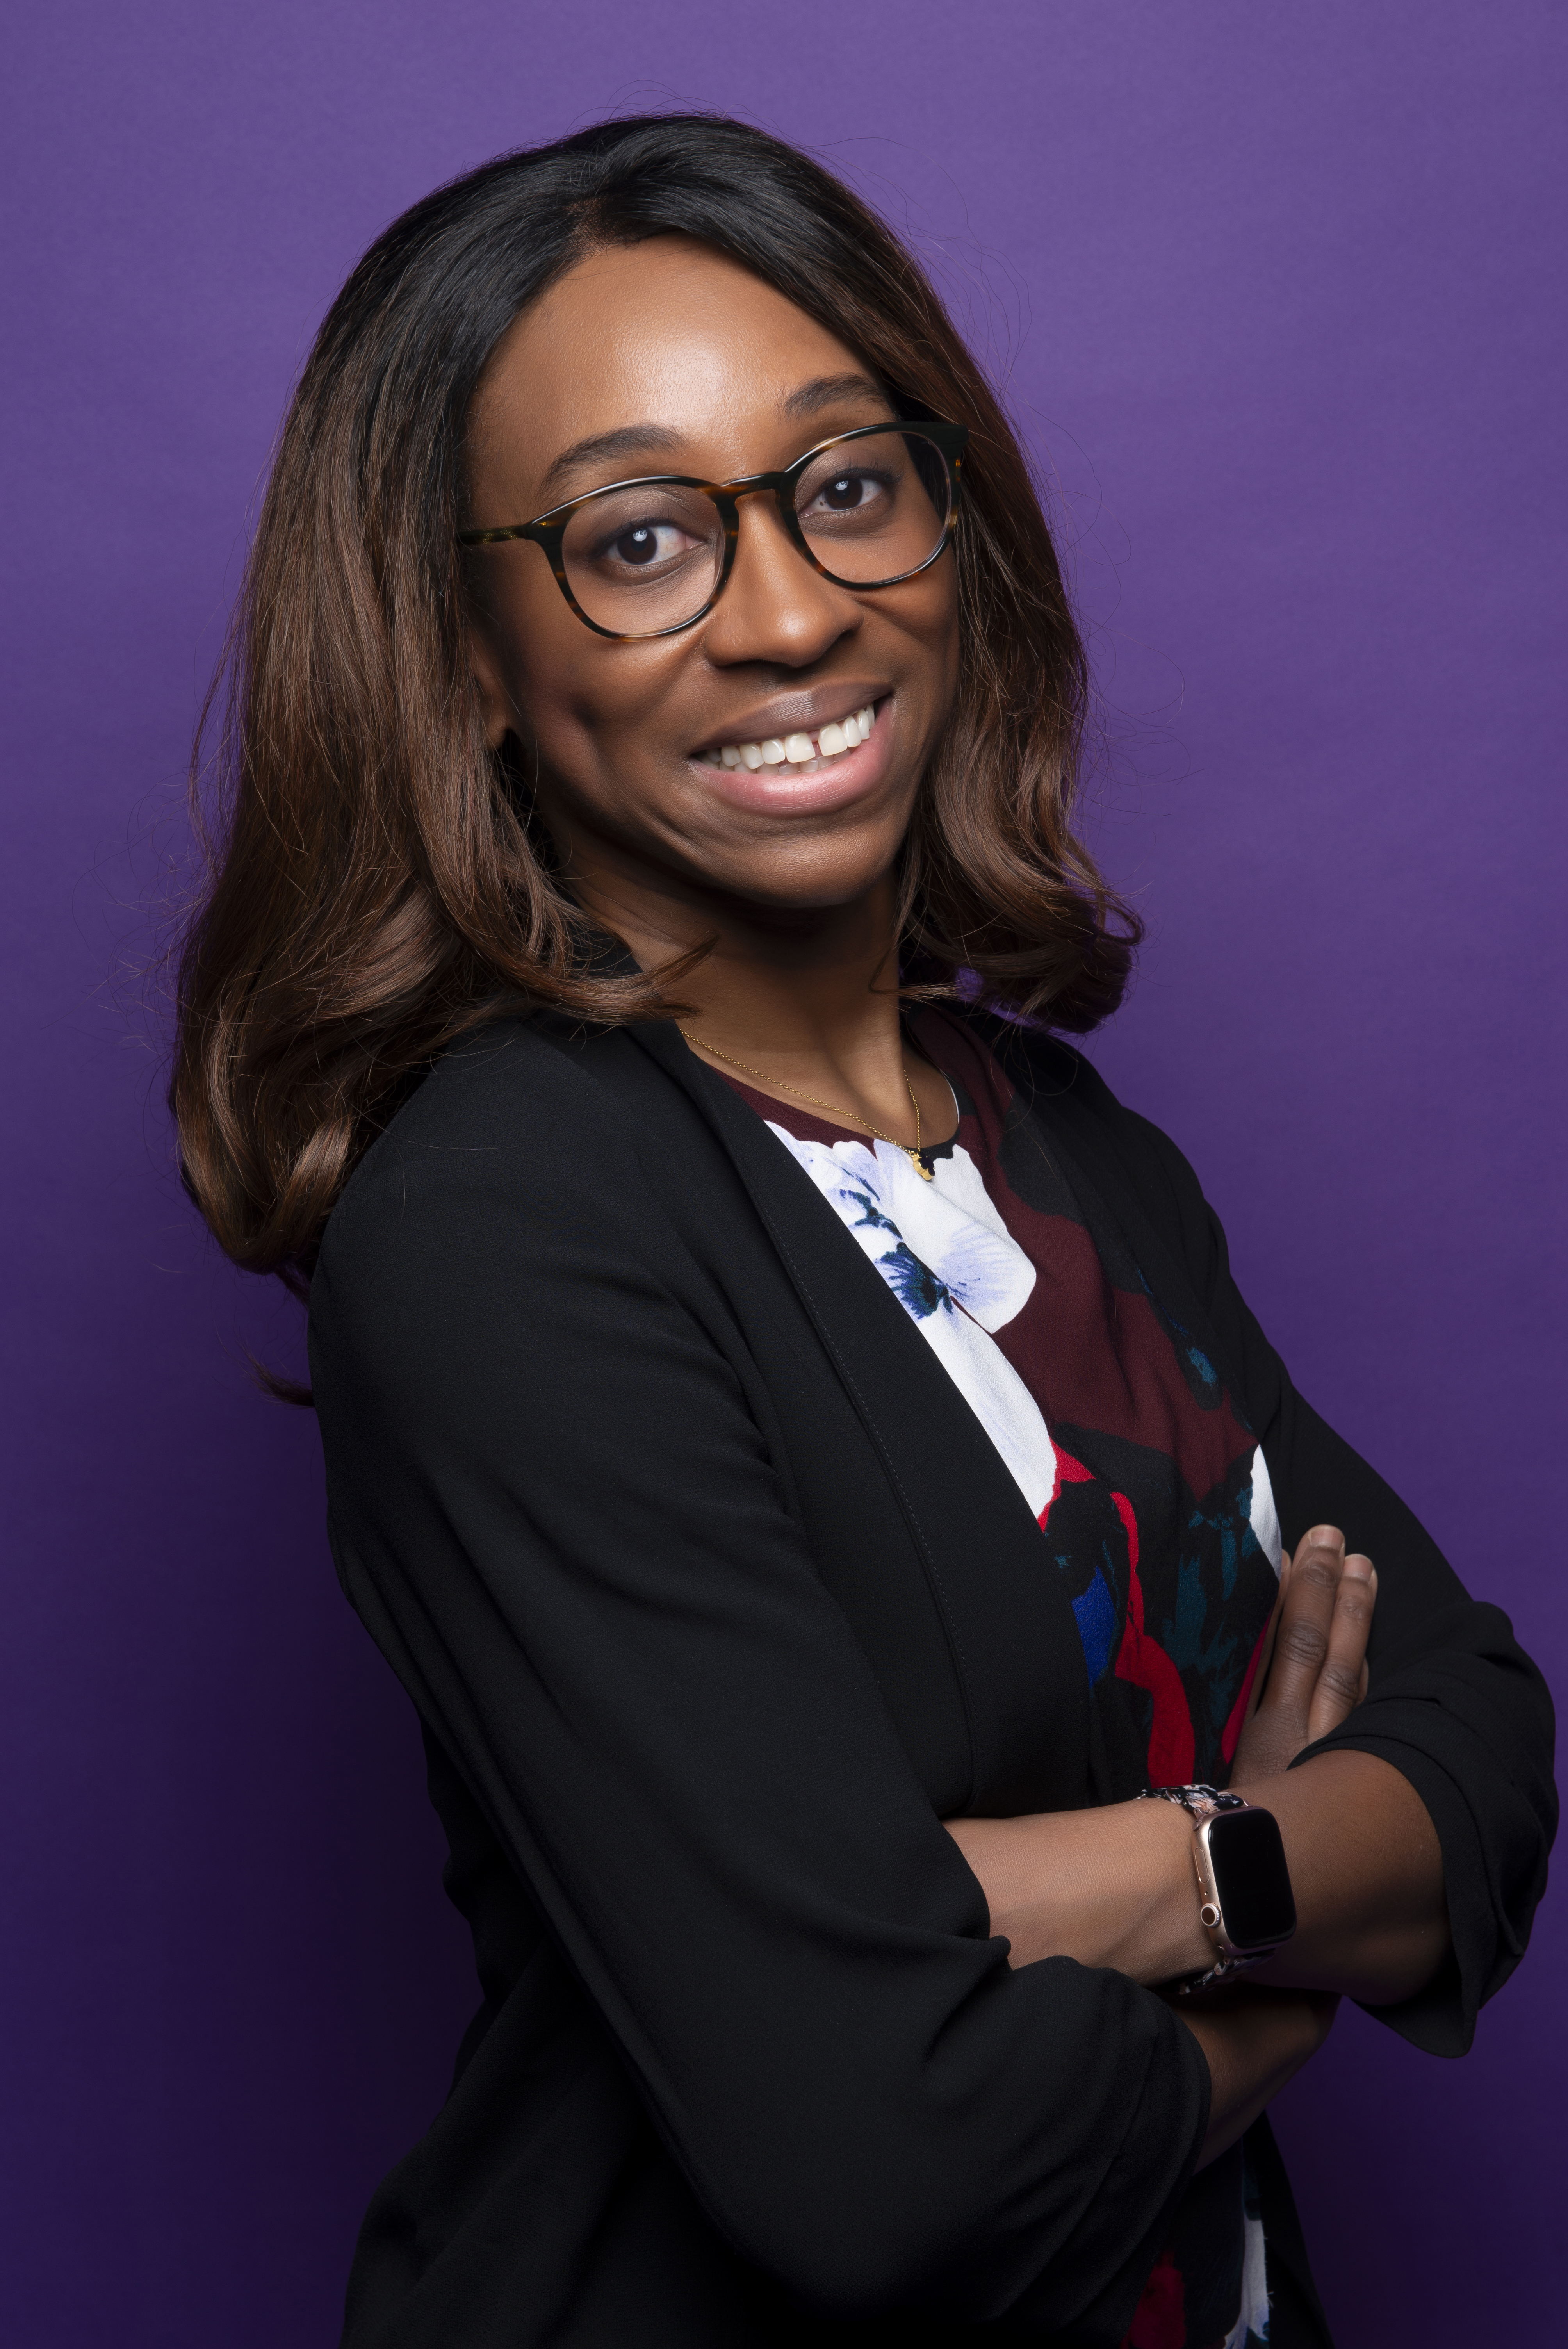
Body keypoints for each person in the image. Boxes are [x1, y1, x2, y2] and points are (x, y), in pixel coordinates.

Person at [170, 114, 1555, 2349]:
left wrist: (1135, 1881)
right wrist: (1283, 1940)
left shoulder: (1066, 1153)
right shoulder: (510, 1224)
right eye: (639, 540)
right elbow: (882, 2154)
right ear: (466, 645)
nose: (796, 611)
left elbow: (1484, 1749)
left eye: (843, 486)